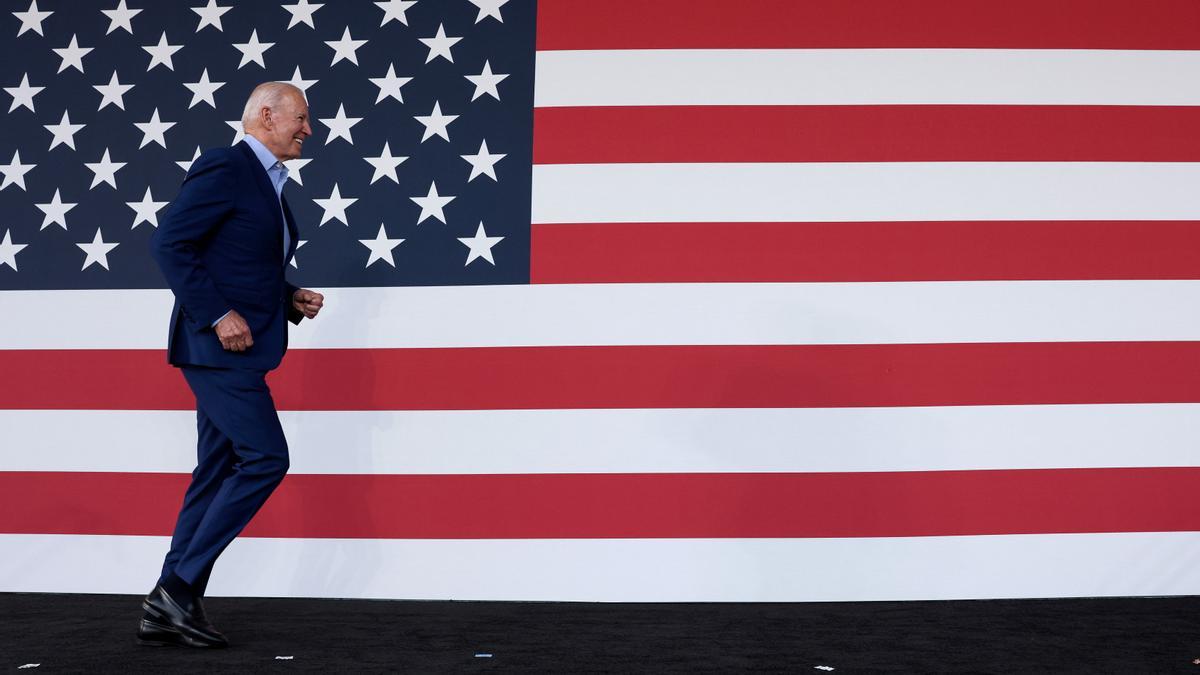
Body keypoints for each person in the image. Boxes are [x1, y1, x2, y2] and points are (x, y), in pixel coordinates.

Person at [140, 82, 324, 648]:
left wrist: (286, 295)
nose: (308, 130)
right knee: (267, 458)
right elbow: (171, 243)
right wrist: (219, 314)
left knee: (216, 471)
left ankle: (167, 606)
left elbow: (238, 258)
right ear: (266, 115)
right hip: (216, 350)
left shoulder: (268, 182)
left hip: (236, 348)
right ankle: (176, 588)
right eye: (301, 118)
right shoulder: (226, 166)